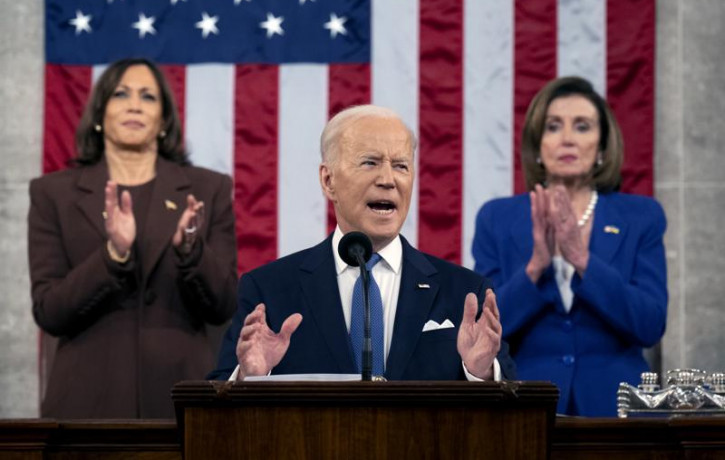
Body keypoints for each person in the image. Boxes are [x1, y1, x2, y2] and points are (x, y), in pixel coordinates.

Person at [209, 105, 515, 382]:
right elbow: (218, 400)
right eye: (370, 163)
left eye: (401, 166)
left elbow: (514, 408)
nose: (388, 179)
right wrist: (250, 377)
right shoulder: (269, 291)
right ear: (329, 181)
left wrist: (482, 373)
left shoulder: (465, 292)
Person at [28, 58, 238, 418]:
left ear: (163, 120)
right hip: (86, 405)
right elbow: (50, 311)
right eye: (121, 94)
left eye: (148, 97)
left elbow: (224, 305)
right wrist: (113, 255)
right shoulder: (53, 194)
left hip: (183, 403)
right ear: (99, 113)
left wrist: (191, 252)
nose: (135, 104)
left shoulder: (208, 189)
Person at [472, 76, 667, 416]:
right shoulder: (497, 218)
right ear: (538, 145)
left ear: (602, 147)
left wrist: (583, 260)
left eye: (582, 126)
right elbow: (481, 329)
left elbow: (649, 324)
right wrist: (535, 268)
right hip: (525, 408)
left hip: (618, 411)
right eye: (553, 127)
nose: (567, 139)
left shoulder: (641, 216)